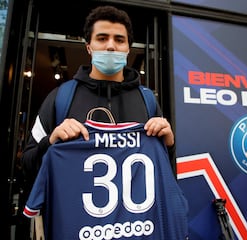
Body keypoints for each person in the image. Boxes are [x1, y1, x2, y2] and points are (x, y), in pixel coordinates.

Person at [21, 5, 175, 184]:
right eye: (102, 38)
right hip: (74, 211)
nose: (110, 46)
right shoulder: (60, 98)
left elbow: (164, 174)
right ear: (88, 47)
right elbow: (27, 166)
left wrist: (169, 146)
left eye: (119, 40)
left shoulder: (147, 100)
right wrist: (50, 142)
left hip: (138, 211)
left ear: (128, 48)